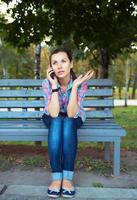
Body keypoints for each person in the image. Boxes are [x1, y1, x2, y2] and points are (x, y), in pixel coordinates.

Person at [42, 47, 94, 198]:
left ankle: (67, 179)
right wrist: (53, 87)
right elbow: (53, 113)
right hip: (52, 114)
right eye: (55, 63)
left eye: (63, 61)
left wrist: (76, 86)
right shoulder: (47, 83)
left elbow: (71, 114)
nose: (59, 66)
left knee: (68, 123)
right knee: (58, 121)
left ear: (71, 64)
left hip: (73, 116)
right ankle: (57, 178)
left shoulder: (80, 83)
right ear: (51, 67)